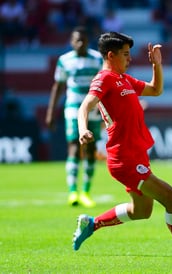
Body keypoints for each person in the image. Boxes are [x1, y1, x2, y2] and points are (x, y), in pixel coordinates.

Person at [73, 31, 172, 259]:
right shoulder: (103, 78)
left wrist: (157, 65)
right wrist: (83, 129)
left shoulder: (124, 79)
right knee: (171, 197)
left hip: (137, 154)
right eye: (125, 54)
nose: (129, 58)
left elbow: (156, 90)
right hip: (124, 158)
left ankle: (91, 224)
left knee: (141, 211)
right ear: (111, 55)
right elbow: (85, 106)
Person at [46, 26, 103, 208]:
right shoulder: (65, 61)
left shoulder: (96, 59)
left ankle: (86, 191)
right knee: (73, 145)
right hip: (72, 107)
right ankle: (73, 191)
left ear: (88, 41)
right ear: (71, 42)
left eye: (83, 40)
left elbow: (104, 85)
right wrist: (50, 113)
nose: (80, 43)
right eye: (76, 40)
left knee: (90, 147)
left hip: (92, 108)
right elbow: (58, 86)